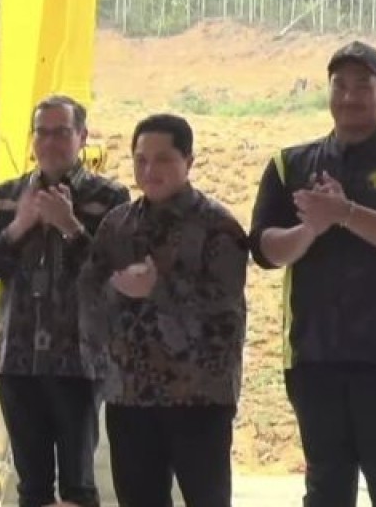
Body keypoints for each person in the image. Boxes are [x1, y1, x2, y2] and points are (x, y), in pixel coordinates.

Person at [250, 40, 376, 507]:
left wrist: (345, 213)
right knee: (325, 481)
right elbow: (263, 249)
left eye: (364, 84)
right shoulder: (289, 164)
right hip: (312, 351)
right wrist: (310, 229)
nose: (350, 95)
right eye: (340, 84)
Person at [78, 113, 248, 507]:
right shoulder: (117, 224)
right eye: (141, 160)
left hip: (198, 398)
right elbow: (88, 291)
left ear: (188, 161)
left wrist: (159, 289)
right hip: (130, 397)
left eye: (163, 159)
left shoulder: (217, 226)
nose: (150, 170)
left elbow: (223, 300)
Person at [0, 95, 131, 507]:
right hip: (16, 360)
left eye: (61, 132)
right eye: (41, 132)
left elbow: (116, 277)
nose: (50, 142)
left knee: (77, 487)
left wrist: (71, 227)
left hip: (78, 361)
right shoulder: (3, 198)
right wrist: (19, 227)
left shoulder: (110, 199)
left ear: (82, 136)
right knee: (32, 487)